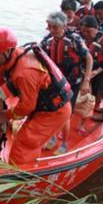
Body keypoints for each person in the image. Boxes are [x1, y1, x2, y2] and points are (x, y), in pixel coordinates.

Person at [0, 27, 72, 165]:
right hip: (42, 103)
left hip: (54, 111)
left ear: (7, 51)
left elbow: (27, 106)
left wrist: (6, 115)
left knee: (25, 142)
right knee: (26, 138)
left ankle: (19, 177)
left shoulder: (25, 72)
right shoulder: (10, 58)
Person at [39, 11, 92, 152]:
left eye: (55, 27)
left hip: (73, 82)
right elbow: (38, 56)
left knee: (66, 113)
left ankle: (64, 143)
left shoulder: (74, 39)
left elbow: (89, 59)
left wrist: (86, 80)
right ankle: (53, 137)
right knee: (53, 110)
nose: (52, 30)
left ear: (64, 26)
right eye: (49, 27)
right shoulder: (47, 40)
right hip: (55, 82)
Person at [79, 15, 103, 133]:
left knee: (95, 94)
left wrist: (96, 72)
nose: (86, 34)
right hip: (84, 69)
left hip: (100, 69)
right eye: (83, 31)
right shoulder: (79, 38)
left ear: (96, 28)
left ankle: (85, 121)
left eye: (89, 31)